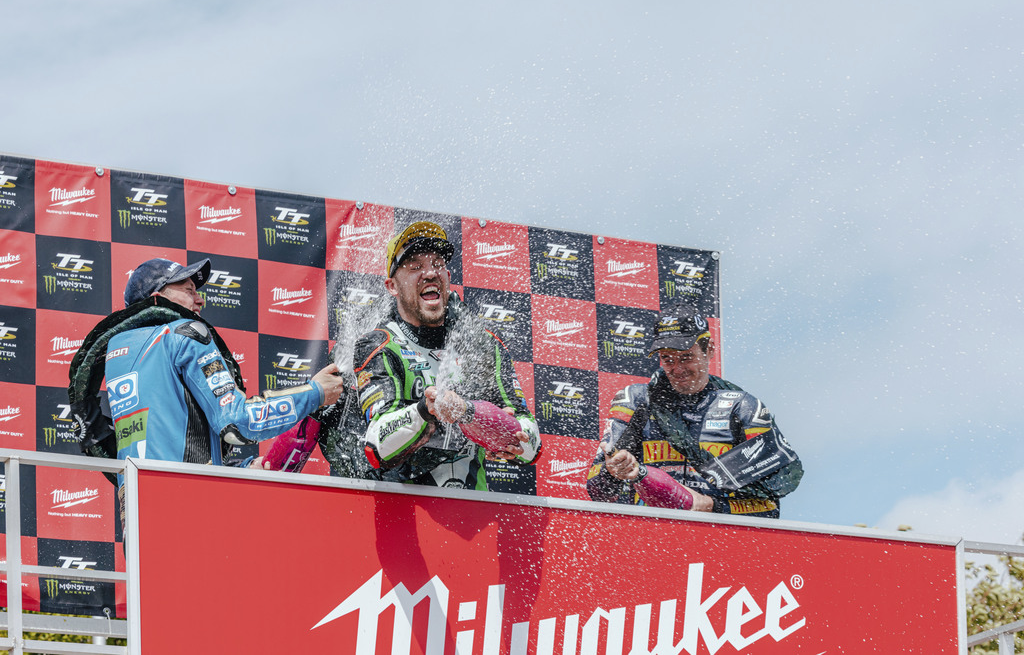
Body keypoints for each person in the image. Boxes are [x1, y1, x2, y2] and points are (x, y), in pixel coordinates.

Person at [71, 257, 344, 484]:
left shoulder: (116, 351)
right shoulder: (183, 332)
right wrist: (315, 393)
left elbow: (169, 442)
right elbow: (238, 423)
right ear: (158, 296)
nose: (199, 301)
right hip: (188, 503)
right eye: (189, 290)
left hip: (136, 509)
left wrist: (244, 468)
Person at [347, 221, 541, 489]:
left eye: (437, 263)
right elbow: (377, 447)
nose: (430, 273)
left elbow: (532, 445)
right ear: (392, 286)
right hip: (403, 511)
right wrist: (425, 410)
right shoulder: (380, 345)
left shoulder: (482, 343)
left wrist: (482, 420)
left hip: (472, 511)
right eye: (414, 266)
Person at [586, 306, 802, 517]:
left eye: (686, 357)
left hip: (718, 542)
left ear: (709, 350)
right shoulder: (636, 401)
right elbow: (598, 492)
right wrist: (612, 472)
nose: (677, 369)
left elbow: (769, 508)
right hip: (648, 537)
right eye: (667, 359)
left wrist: (709, 506)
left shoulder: (743, 409)